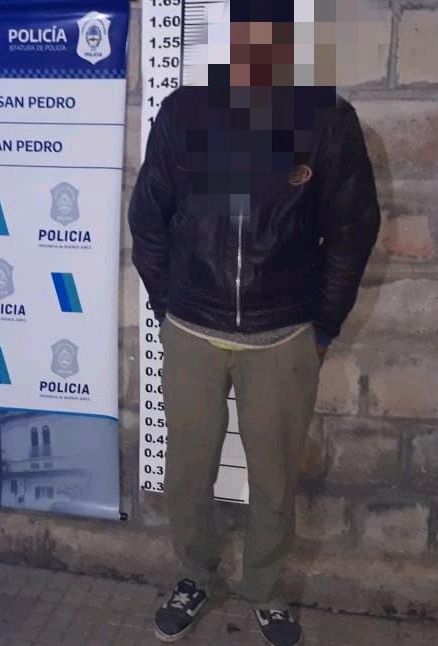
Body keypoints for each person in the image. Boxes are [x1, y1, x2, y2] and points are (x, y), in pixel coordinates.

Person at [128, 1, 380, 644]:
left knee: (274, 479)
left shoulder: (327, 119)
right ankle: (193, 576)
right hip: (192, 332)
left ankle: (265, 590)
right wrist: (169, 307)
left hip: (283, 337)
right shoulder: (184, 112)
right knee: (188, 473)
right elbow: (149, 217)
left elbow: (352, 231)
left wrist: (324, 324)